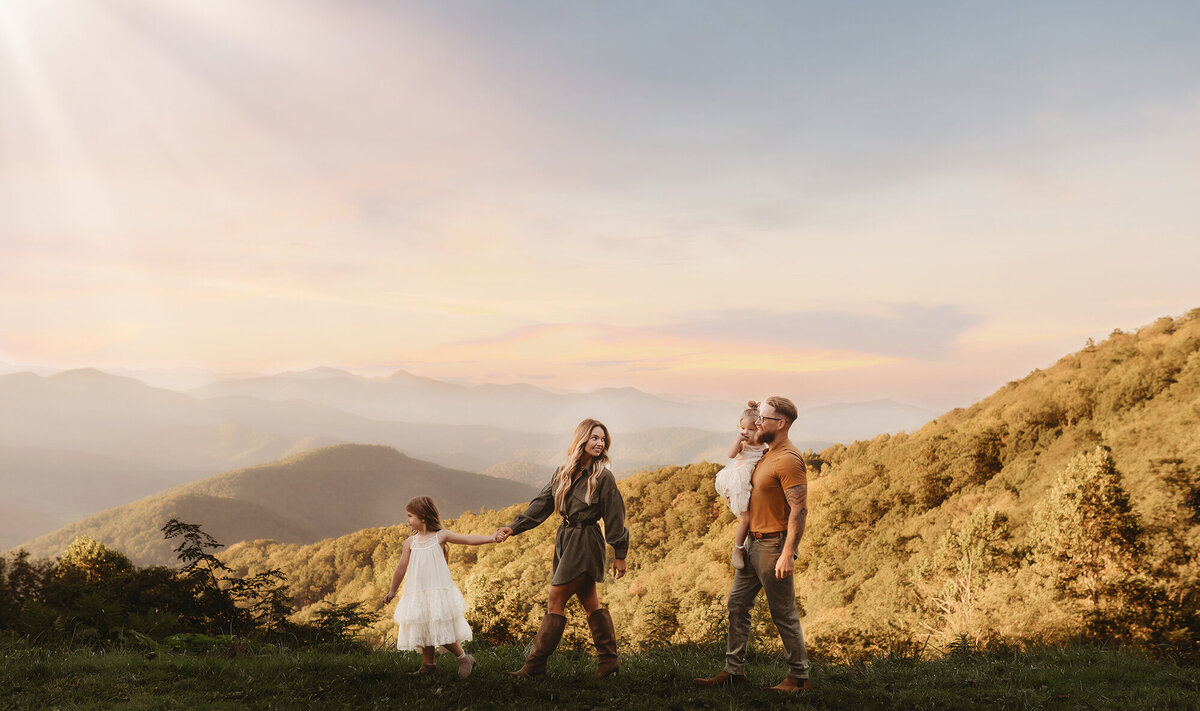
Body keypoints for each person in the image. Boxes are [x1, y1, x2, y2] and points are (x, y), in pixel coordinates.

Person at [493, 418, 629, 679]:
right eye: (594, 438)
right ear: (582, 440)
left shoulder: (603, 477)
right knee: (590, 602)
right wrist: (514, 527)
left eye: (603, 439)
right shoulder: (562, 472)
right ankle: (609, 661)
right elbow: (542, 504)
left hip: (586, 541)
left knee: (555, 599)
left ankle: (535, 665)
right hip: (565, 540)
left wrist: (619, 555)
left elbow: (615, 517)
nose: (600, 443)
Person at [694, 396, 811, 693]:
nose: (758, 423)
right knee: (737, 605)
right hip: (752, 544)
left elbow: (799, 510)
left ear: (781, 424)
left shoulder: (788, 459)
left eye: (764, 419)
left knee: (782, 613)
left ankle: (798, 678)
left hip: (774, 547)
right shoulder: (768, 452)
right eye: (759, 418)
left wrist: (787, 553)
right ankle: (734, 672)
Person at [381, 495, 496, 678]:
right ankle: (428, 665)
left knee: (441, 628)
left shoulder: (440, 536)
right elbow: (401, 567)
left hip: (438, 591)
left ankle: (463, 658)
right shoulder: (411, 542)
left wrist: (491, 539)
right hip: (417, 592)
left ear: (423, 517)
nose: (408, 520)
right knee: (424, 624)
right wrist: (392, 591)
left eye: (410, 516)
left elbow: (467, 539)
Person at [713, 400, 768, 570]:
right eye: (743, 429)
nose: (746, 432)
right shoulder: (743, 445)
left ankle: (747, 542)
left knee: (750, 516)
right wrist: (738, 440)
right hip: (737, 481)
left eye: (751, 429)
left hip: (747, 484)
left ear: (760, 429)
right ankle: (738, 549)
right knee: (747, 518)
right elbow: (730, 455)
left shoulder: (764, 446)